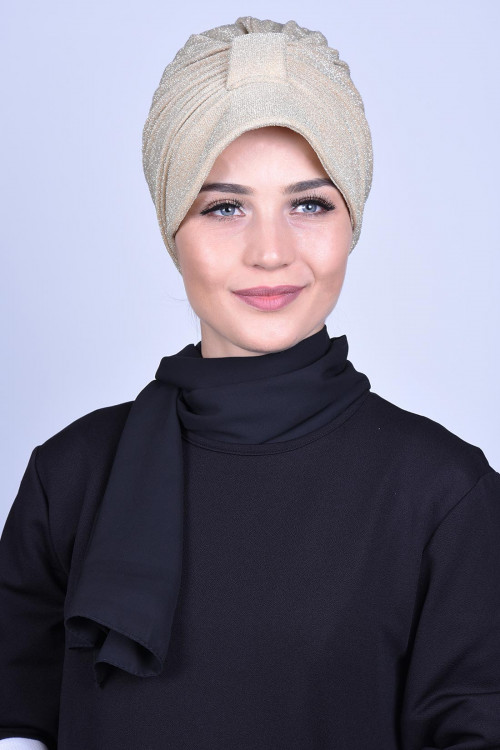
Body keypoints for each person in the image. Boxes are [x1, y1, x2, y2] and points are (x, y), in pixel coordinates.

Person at [1, 15, 499, 750]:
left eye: (309, 204)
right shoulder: (69, 476)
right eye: (225, 207)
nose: (271, 252)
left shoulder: (446, 495)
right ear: (173, 227)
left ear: (352, 219)